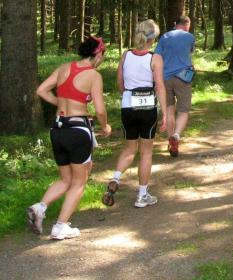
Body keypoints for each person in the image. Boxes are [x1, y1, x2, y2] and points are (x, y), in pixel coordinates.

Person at [27, 36, 111, 240]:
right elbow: (100, 110)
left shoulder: (64, 68)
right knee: (80, 181)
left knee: (66, 179)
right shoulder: (93, 75)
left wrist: (61, 103)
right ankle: (60, 226)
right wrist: (105, 126)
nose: (102, 60)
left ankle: (39, 208)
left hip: (57, 129)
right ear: (98, 54)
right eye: (103, 56)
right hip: (78, 130)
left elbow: (41, 90)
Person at [102, 20, 167, 208]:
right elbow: (159, 86)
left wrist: (128, 95)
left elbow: (120, 83)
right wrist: (165, 113)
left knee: (130, 148)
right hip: (148, 109)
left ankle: (115, 178)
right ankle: (142, 195)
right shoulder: (155, 58)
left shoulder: (126, 55)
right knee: (146, 152)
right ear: (153, 38)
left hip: (128, 107)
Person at [156, 15, 195, 157]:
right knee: (183, 110)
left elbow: (157, 56)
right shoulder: (190, 37)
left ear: (175, 24)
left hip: (165, 78)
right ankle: (176, 135)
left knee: (169, 110)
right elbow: (189, 52)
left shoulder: (164, 37)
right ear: (187, 24)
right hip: (183, 78)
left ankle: (170, 140)